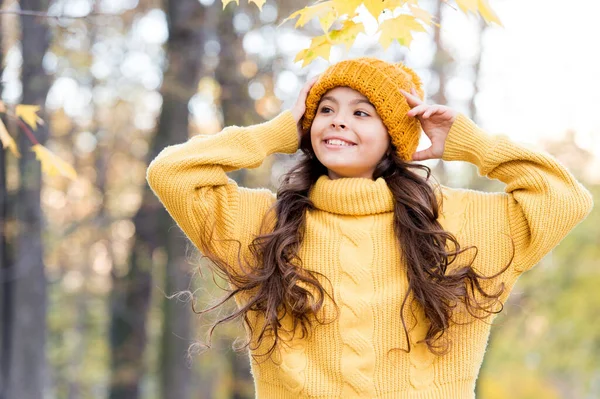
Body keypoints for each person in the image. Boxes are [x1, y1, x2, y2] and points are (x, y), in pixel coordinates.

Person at [146, 57, 593, 398]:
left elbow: (564, 198)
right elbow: (171, 172)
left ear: (394, 136)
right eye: (325, 109)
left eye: (363, 113)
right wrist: (281, 129)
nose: (338, 119)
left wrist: (467, 141)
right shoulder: (265, 225)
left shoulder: (455, 222)